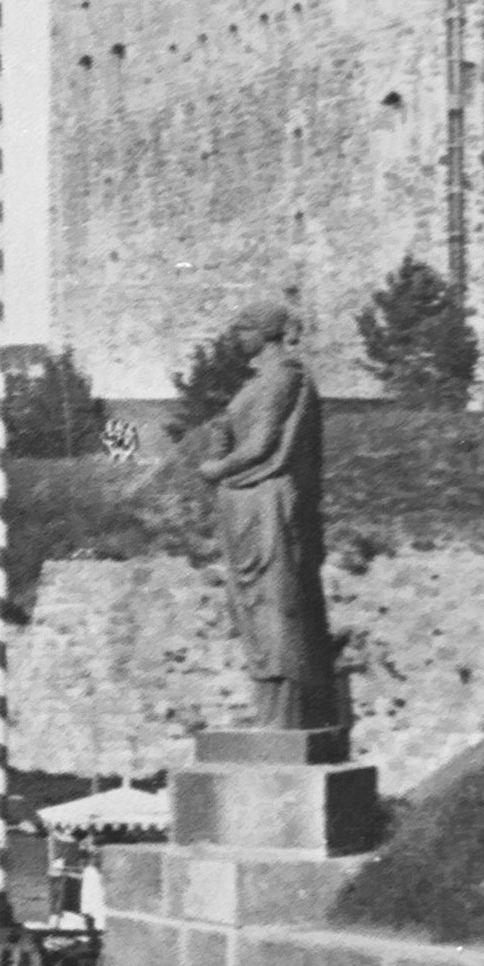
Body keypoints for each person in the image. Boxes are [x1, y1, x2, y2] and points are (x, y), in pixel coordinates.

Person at [194, 299, 344, 737]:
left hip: (268, 501)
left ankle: (286, 715)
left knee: (276, 601)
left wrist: (216, 468)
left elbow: (262, 445)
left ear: (267, 333)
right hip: (250, 500)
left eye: (244, 329)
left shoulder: (282, 378)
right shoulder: (265, 380)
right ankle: (271, 710)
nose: (238, 338)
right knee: (256, 605)